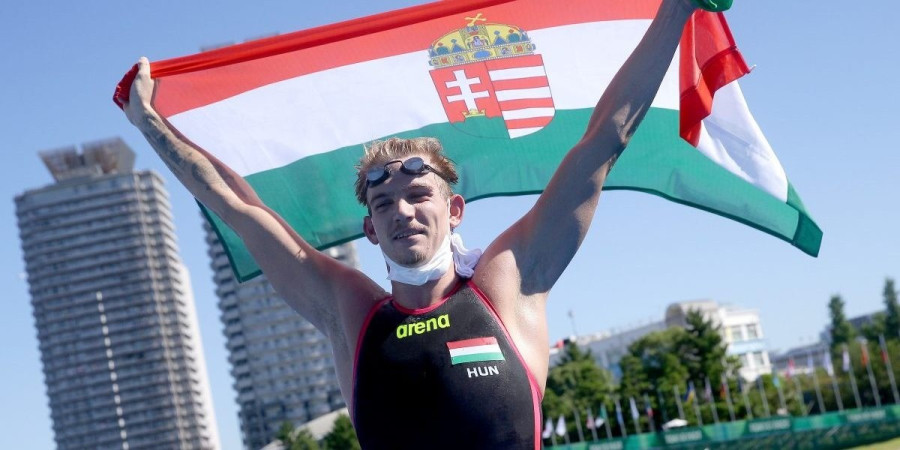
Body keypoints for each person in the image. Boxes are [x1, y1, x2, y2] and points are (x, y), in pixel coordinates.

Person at [121, 0, 706, 447]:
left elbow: (602, 141)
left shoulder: (510, 284)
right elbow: (239, 209)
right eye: (383, 204)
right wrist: (150, 125)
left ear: (454, 210)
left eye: (419, 194)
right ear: (370, 230)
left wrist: (676, 11)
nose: (401, 211)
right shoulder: (351, 313)